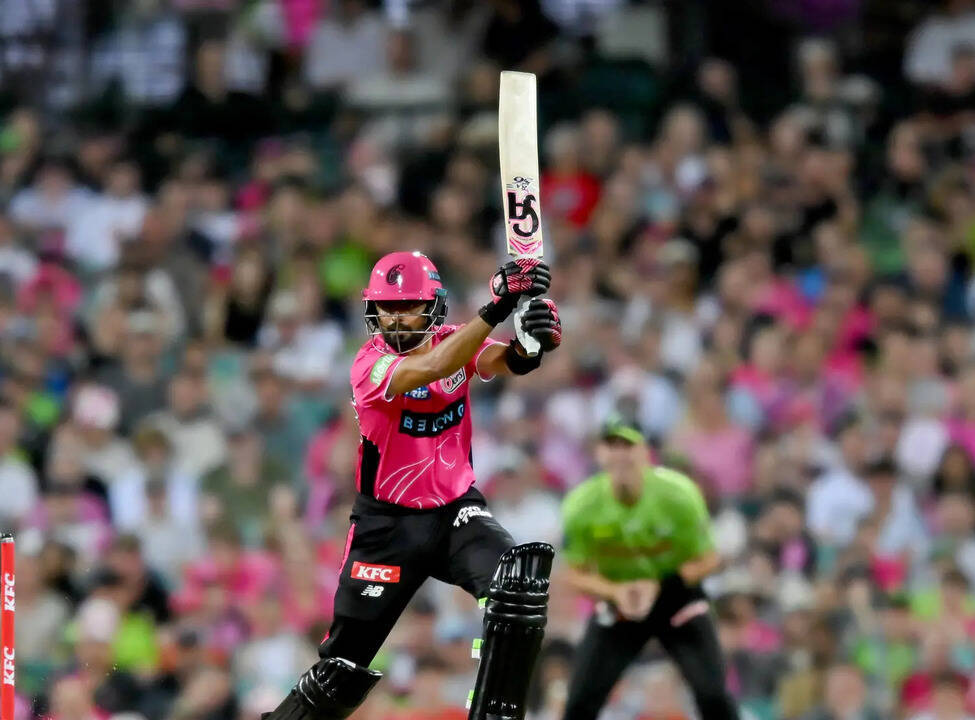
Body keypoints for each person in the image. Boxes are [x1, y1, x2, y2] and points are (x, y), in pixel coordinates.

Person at [263, 250, 561, 719]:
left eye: (409, 306)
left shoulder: (455, 340)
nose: (397, 318)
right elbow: (433, 367)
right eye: (387, 308)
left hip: (455, 511)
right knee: (340, 671)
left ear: (434, 307)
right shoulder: (369, 364)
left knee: (517, 585)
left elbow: (507, 361)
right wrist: (499, 307)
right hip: (387, 526)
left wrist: (530, 341)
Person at [560, 421, 736, 720]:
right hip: (621, 601)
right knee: (579, 703)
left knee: (713, 696)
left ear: (646, 453)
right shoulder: (582, 505)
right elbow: (574, 573)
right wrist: (616, 591)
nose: (620, 455)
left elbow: (709, 558)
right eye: (611, 446)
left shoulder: (677, 494)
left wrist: (660, 587)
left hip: (677, 599)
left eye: (628, 445)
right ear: (599, 453)